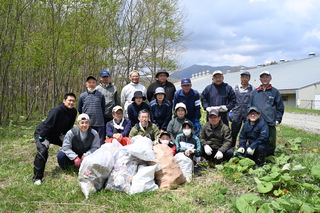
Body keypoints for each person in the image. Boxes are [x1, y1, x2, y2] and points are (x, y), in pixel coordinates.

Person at [33, 93, 77, 185]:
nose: (71, 103)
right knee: (43, 151)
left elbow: (69, 126)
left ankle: (68, 166)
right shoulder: (56, 110)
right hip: (43, 133)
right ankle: (37, 177)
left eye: (73, 101)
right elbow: (48, 125)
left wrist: (65, 136)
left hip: (57, 135)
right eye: (69, 100)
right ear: (64, 101)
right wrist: (42, 138)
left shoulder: (73, 112)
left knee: (73, 145)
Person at [249, 71, 284, 155]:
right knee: (255, 139)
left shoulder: (274, 92)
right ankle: (256, 155)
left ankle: (270, 156)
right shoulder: (254, 93)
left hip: (270, 121)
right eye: (263, 77)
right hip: (257, 122)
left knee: (271, 140)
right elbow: (249, 107)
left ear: (270, 78)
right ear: (260, 79)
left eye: (267, 77)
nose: (265, 79)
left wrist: (278, 119)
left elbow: (280, 107)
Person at [78, 75, 106, 145]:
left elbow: (103, 108)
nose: (91, 84)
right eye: (89, 82)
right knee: (87, 142)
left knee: (100, 142)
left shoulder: (100, 95)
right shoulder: (82, 96)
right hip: (87, 123)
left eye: (93, 82)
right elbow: (79, 109)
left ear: (96, 84)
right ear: (86, 84)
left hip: (99, 123)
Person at [231, 71, 254, 147]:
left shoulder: (252, 88)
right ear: (240, 78)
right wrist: (231, 111)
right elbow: (231, 100)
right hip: (237, 113)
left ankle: (245, 147)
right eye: (243, 77)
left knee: (248, 130)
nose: (244, 79)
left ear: (249, 79)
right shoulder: (235, 88)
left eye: (246, 77)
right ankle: (232, 147)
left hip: (248, 113)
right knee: (234, 131)